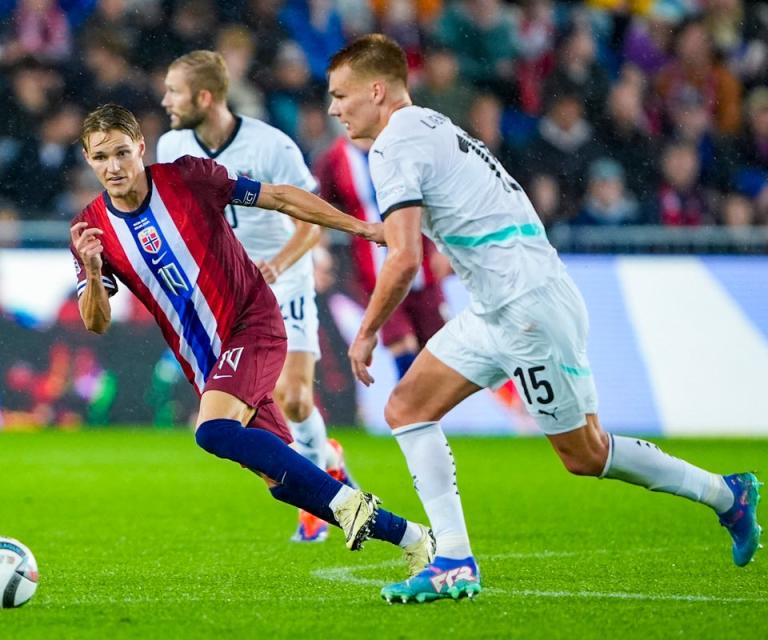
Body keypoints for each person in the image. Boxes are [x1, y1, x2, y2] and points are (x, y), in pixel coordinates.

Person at [325, 34, 762, 604]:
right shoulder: (430, 126)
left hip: (527, 309)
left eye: (341, 95)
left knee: (585, 454)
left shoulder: (391, 147)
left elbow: (406, 258)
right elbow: (433, 224)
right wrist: (360, 227)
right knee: (407, 407)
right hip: (499, 306)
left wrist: (366, 334)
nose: (335, 108)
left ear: (376, 90)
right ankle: (453, 560)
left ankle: (727, 496)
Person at [69, 102, 435, 576]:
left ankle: (351, 506)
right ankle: (414, 538)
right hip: (206, 363)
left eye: (121, 152)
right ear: (87, 160)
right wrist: (94, 272)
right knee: (284, 481)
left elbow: (281, 198)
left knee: (213, 431)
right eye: (100, 157)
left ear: (141, 147)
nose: (113, 167)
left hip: (253, 323)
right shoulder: (90, 231)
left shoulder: (188, 178)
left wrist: (363, 228)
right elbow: (96, 322)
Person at [156, 50, 355, 543]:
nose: (165, 101)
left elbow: (311, 218)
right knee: (253, 413)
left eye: (174, 92)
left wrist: (280, 264)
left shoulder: (271, 145)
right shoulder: (171, 145)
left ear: (205, 96)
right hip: (229, 291)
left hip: (281, 276)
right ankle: (325, 468)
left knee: (294, 397)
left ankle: (320, 485)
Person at [313, 134, 448, 381]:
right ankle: (408, 414)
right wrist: (320, 254)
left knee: (435, 353)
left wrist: (444, 247)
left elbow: (441, 196)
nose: (338, 110)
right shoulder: (334, 159)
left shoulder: (408, 144)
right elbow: (314, 208)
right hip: (373, 275)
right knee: (402, 342)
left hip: (423, 271)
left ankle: (419, 413)